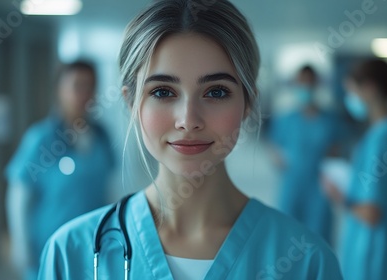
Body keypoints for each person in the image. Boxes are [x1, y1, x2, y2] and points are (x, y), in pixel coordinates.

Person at [37, 1, 343, 279]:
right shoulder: (70, 254)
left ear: (247, 104)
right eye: (162, 92)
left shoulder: (307, 262)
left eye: (216, 92)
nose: (188, 120)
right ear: (131, 104)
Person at [5, 61, 115, 280]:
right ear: (60, 90)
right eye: (77, 86)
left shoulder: (102, 136)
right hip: (48, 247)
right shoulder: (41, 138)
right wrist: (21, 245)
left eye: (90, 86)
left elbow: (110, 188)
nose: (84, 94)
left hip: (93, 246)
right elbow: (19, 195)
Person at [324, 59, 387, 280]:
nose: (350, 99)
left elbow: (371, 213)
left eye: (351, 91)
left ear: (369, 89)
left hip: (376, 263)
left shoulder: (381, 139)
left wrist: (337, 194)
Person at [267, 65, 341, 243]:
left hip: (319, 192)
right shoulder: (286, 120)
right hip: (292, 188)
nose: (305, 87)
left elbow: (336, 154)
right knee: (288, 239)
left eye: (309, 82)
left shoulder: (330, 121)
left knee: (318, 241)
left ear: (316, 84)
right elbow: (274, 151)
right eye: (301, 82)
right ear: (294, 85)